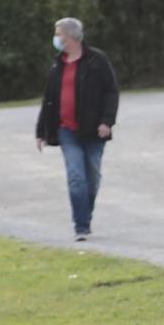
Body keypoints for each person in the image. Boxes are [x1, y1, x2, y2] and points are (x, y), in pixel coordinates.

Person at [35, 17, 119, 241]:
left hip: (94, 131)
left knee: (92, 179)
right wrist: (41, 132)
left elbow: (111, 91)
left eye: (59, 33)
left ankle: (86, 214)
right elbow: (49, 99)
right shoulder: (57, 64)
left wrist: (107, 121)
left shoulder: (97, 60)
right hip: (66, 131)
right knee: (76, 178)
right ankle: (80, 226)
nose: (56, 37)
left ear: (71, 36)